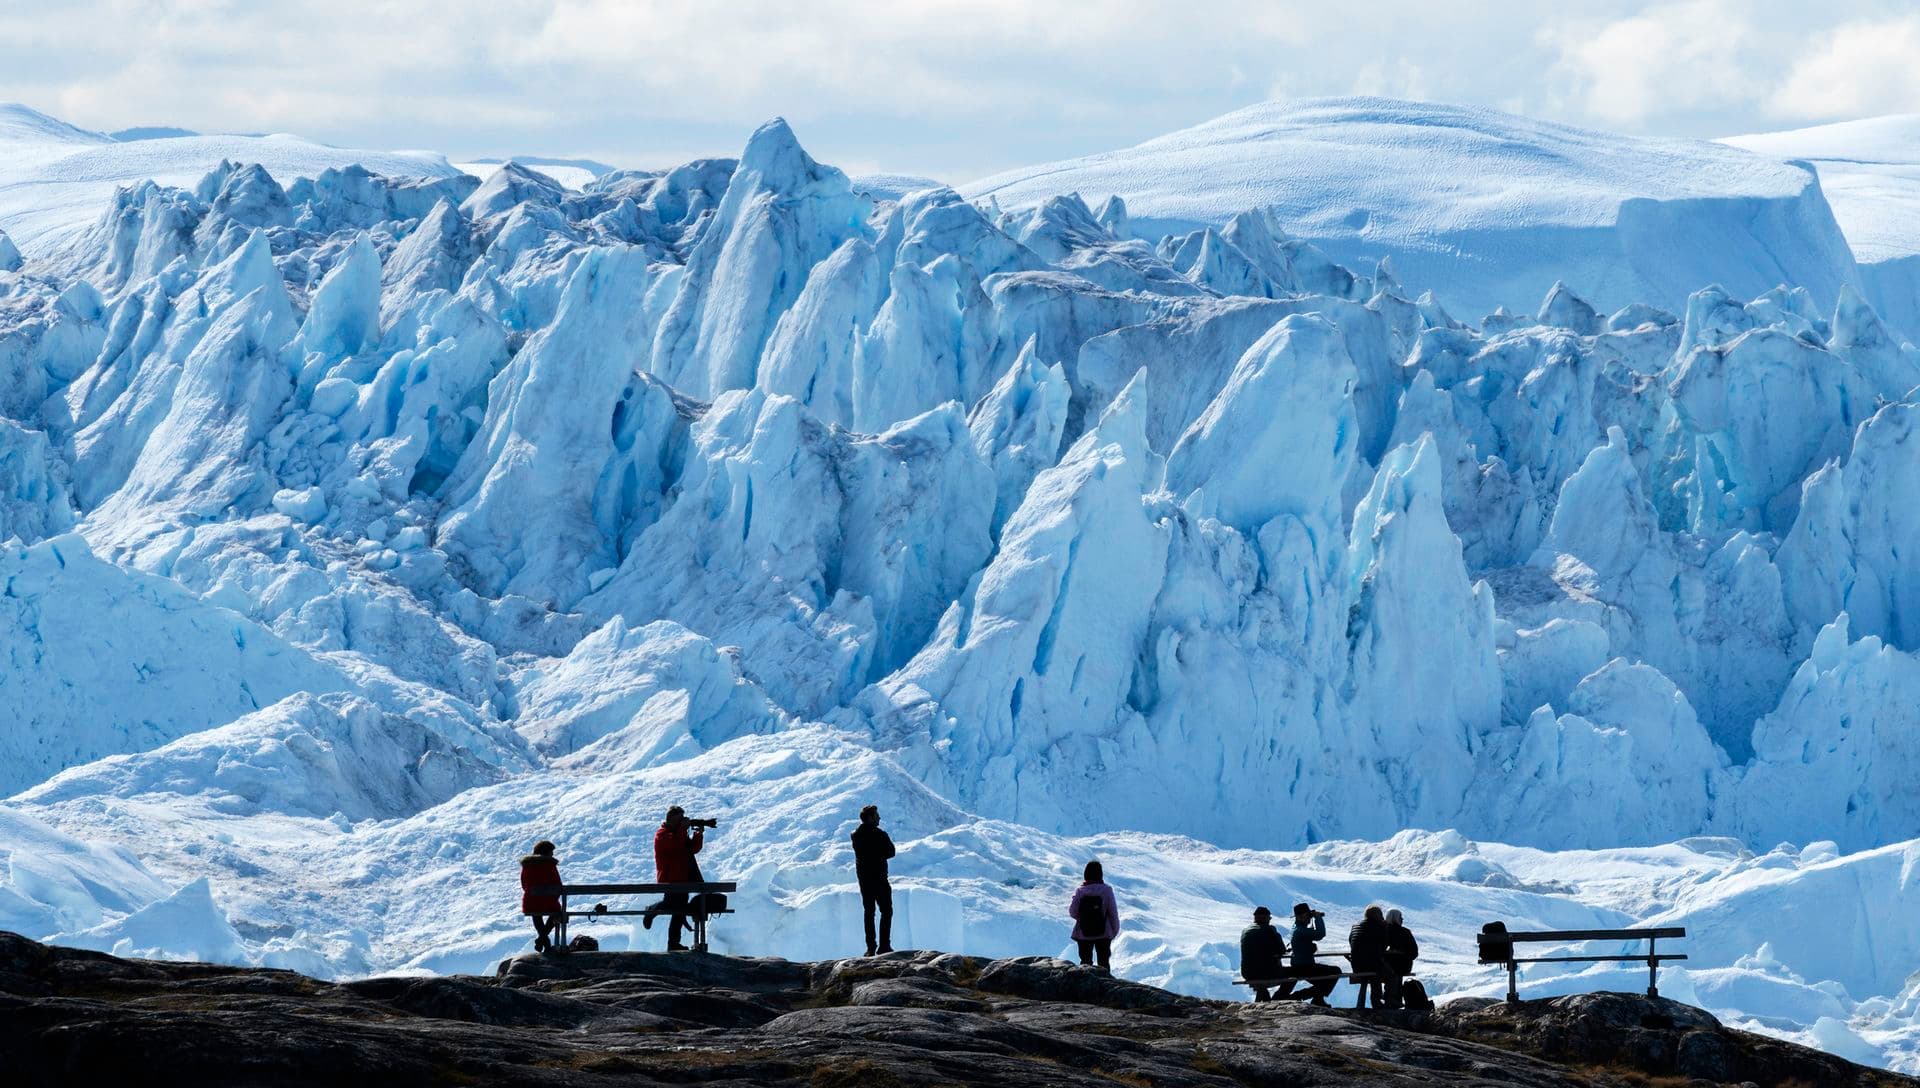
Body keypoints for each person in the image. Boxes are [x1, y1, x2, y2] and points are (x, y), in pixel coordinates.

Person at [649, 806, 705, 951]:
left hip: (683, 878)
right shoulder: (662, 834)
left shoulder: (677, 833)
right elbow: (675, 846)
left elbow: (691, 849)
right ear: (671, 819)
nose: (682, 821)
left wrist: (698, 834)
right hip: (670, 878)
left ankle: (673, 943)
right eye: (679, 819)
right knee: (672, 905)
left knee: (678, 909)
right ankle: (653, 910)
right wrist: (682, 830)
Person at [851, 804, 897, 956]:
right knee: (886, 911)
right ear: (870, 818)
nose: (879, 818)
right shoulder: (880, 835)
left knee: (869, 912)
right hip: (880, 879)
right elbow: (891, 852)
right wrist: (879, 853)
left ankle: (871, 947)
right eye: (877, 816)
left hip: (864, 880)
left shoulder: (856, 836)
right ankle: (884, 945)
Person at [1068, 860, 1120, 971]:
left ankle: (1086, 986)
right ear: (1100, 874)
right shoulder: (1107, 890)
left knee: (1085, 963)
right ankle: (1106, 986)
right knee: (1104, 964)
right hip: (1104, 933)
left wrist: (1083, 919)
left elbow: (1072, 911)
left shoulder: (1080, 891)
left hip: (1083, 933)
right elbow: (1113, 913)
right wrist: (1113, 931)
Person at [1287, 902, 1340, 1005]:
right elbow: (1320, 934)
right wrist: (1318, 918)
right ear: (1301, 917)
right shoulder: (1300, 930)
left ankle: (1315, 998)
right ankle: (1299, 996)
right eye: (1308, 916)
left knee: (1324, 980)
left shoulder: (1296, 928)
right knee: (1335, 972)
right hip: (1304, 966)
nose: (1309, 919)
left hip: (1299, 965)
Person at [519, 840, 565, 953]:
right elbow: (557, 885)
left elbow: (524, 884)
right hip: (549, 902)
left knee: (536, 915)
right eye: (551, 852)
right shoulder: (550, 864)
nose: (553, 855)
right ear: (546, 852)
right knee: (556, 913)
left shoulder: (527, 865)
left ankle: (545, 941)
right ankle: (541, 940)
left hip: (531, 902)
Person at [1239, 906, 1289, 1002]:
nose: (1270, 920)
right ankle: (1277, 999)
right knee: (1293, 976)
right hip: (1266, 973)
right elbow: (1282, 950)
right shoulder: (1269, 930)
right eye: (1269, 918)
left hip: (1247, 973)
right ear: (1266, 918)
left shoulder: (1245, 931)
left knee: (1261, 980)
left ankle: (1264, 998)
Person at [1348, 904, 1390, 1009]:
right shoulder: (1378, 927)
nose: (1382, 918)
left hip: (1356, 965)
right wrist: (1385, 928)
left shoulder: (1355, 926)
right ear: (1376, 916)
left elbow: (1350, 941)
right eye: (1381, 915)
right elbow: (1384, 946)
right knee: (1391, 973)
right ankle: (1380, 1001)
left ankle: (1369, 1002)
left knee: (1375, 970)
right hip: (1370, 965)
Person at [1383, 908, 1420, 1009]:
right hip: (1403, 966)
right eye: (1400, 917)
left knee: (1391, 970)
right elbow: (1414, 953)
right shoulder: (1405, 932)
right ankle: (1394, 1000)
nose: (1402, 919)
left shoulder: (1382, 930)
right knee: (1396, 972)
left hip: (1384, 965)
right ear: (1396, 918)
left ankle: (1390, 999)